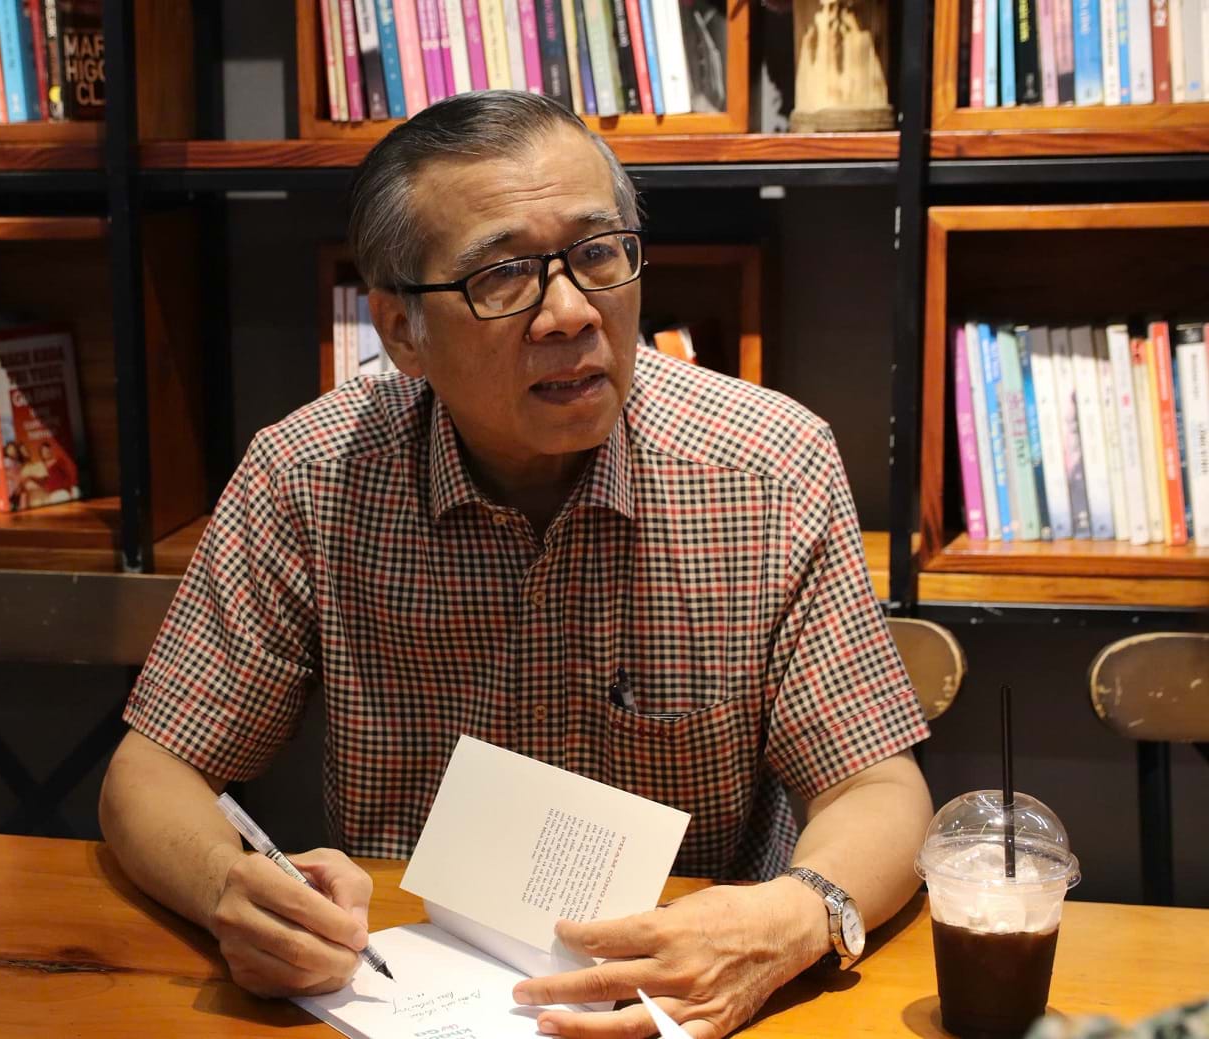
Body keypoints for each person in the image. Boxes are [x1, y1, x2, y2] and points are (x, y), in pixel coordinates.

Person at [99, 90, 932, 1039]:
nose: (569, 313)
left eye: (597, 253)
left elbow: (878, 789)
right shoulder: (309, 477)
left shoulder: (767, 468)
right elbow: (151, 773)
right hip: (400, 997)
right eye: (501, 276)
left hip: (688, 1001)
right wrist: (228, 890)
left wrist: (789, 919)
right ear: (402, 331)